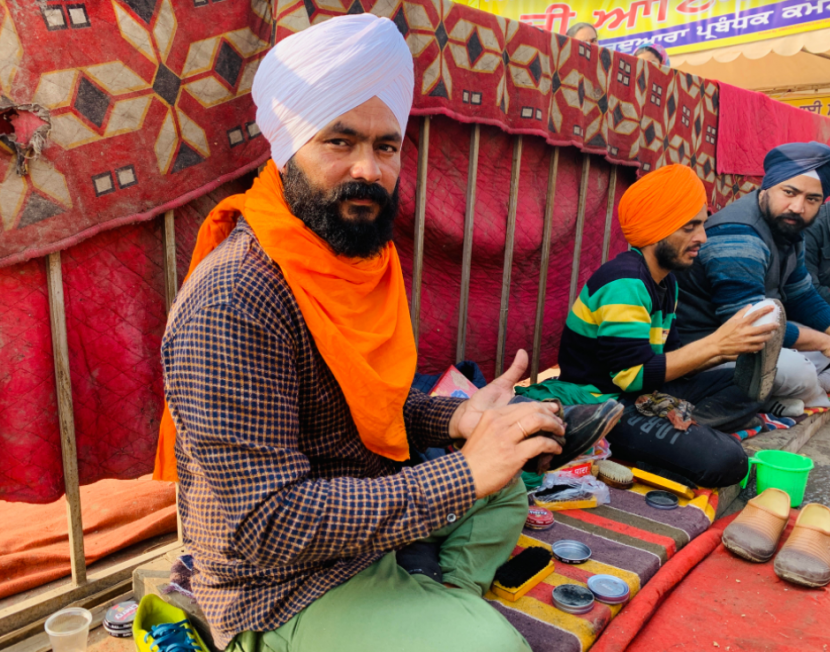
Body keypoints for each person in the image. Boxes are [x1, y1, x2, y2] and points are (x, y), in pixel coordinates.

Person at [160, 14, 617, 652]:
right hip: (281, 582)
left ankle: (433, 598)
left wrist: (456, 423)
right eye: (339, 142)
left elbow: (358, 404)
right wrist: (461, 475)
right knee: (492, 646)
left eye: (386, 146)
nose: (369, 170)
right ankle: (424, 611)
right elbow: (258, 525)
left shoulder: (358, 258)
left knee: (507, 472)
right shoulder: (237, 298)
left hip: (366, 521)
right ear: (288, 147)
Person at [555, 164, 780, 487]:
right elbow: (631, 377)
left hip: (646, 394)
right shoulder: (625, 282)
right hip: (601, 402)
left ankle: (679, 437)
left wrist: (730, 350)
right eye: (690, 227)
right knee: (727, 461)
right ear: (656, 230)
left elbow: (671, 359)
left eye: (701, 225)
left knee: (750, 385)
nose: (702, 237)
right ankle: (680, 440)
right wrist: (716, 344)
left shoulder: (668, 282)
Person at [676, 142, 830, 416]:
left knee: (822, 347)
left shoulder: (788, 228)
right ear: (768, 186)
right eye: (789, 192)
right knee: (799, 369)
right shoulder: (740, 234)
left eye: (812, 199)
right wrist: (828, 343)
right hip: (704, 347)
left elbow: (802, 295)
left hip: (760, 337)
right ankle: (816, 391)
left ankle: (792, 396)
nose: (798, 207)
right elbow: (750, 325)